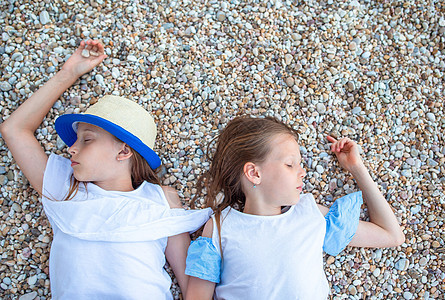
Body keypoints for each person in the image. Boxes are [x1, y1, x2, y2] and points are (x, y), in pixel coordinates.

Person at [0, 40, 211, 299]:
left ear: (124, 152)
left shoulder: (162, 200)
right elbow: (14, 130)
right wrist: (69, 72)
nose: (71, 149)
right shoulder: (64, 187)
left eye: (86, 139)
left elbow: (190, 285)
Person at [184, 116, 405, 299]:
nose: (302, 172)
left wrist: (357, 168)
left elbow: (391, 235)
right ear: (254, 173)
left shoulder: (309, 214)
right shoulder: (221, 228)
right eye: (290, 164)